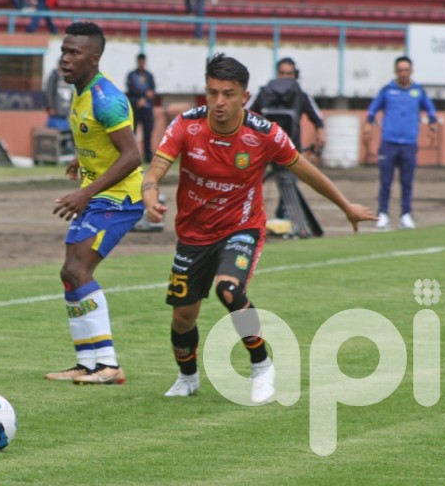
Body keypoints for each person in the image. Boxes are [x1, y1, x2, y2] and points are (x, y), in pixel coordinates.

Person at [141, 53, 376, 401]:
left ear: (244, 97)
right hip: (193, 234)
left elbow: (306, 173)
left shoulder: (265, 135)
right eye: (212, 93)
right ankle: (188, 379)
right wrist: (150, 195)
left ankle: (262, 364)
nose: (219, 102)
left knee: (229, 290)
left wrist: (346, 207)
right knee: (182, 319)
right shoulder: (186, 125)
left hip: (241, 228)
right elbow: (156, 168)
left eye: (228, 94)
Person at [45, 22, 144, 385]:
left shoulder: (106, 98)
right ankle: (87, 363)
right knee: (69, 272)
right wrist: (81, 161)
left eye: (74, 53)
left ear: (94, 58)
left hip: (118, 199)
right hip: (100, 195)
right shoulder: (81, 91)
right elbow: (101, 142)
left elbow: (132, 155)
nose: (65, 60)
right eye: (63, 51)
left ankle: (108, 364)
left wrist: (85, 191)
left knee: (79, 271)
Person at [247, 57, 326, 235]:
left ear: (295, 75)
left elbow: (317, 117)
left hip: (283, 149)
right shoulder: (269, 92)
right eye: (283, 73)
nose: (285, 78)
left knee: (287, 183)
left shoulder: (294, 93)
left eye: (289, 74)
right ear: (277, 73)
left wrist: (320, 132)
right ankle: (255, 221)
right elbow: (248, 116)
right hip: (268, 149)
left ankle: (284, 220)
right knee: (258, 184)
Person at [364, 55, 438, 230]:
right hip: (389, 141)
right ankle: (382, 213)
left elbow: (430, 109)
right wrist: (368, 126)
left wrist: (433, 126)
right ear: (395, 71)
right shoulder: (387, 90)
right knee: (385, 181)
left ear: (411, 71)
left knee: (407, 181)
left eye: (406, 70)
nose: (403, 73)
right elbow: (373, 109)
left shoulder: (418, 91)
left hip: (409, 143)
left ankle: (406, 214)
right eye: (400, 70)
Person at [126, 53, 157, 164]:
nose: (142, 63)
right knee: (132, 133)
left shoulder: (149, 76)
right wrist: (137, 101)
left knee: (147, 133)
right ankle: (131, 156)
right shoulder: (132, 75)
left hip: (147, 109)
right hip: (135, 108)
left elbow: (152, 92)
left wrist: (145, 99)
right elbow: (130, 91)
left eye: (143, 61)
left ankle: (148, 157)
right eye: (140, 61)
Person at [43, 64, 73, 131]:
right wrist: (50, 106)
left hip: (65, 116)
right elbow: (49, 91)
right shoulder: (54, 76)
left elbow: (71, 94)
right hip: (55, 115)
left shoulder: (69, 77)